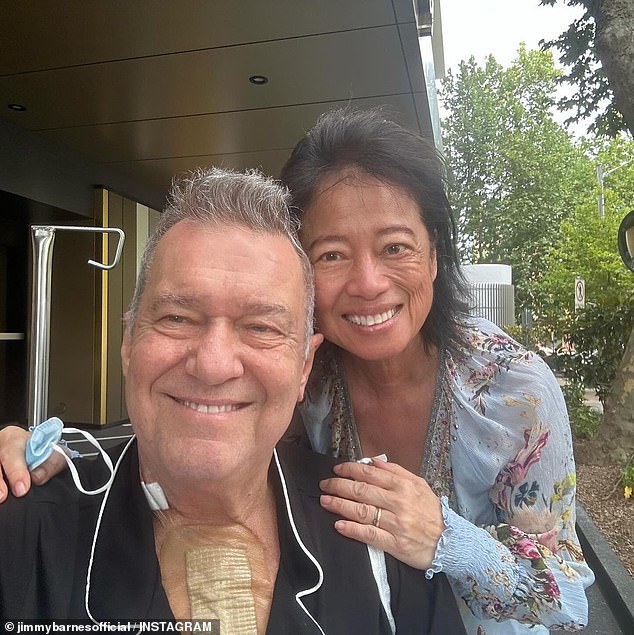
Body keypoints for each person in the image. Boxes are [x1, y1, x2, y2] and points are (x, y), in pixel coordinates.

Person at [0, 109, 593, 634]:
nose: (367, 283)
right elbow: (207, 428)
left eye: (395, 247)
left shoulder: (514, 394)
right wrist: (62, 455)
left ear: (435, 254)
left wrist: (445, 540)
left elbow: (569, 597)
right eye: (331, 254)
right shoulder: (303, 374)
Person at [0, 167, 465, 633]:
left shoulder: (379, 545)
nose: (214, 364)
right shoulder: (22, 534)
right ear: (128, 343)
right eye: (178, 318)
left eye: (261, 328)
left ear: (304, 367)